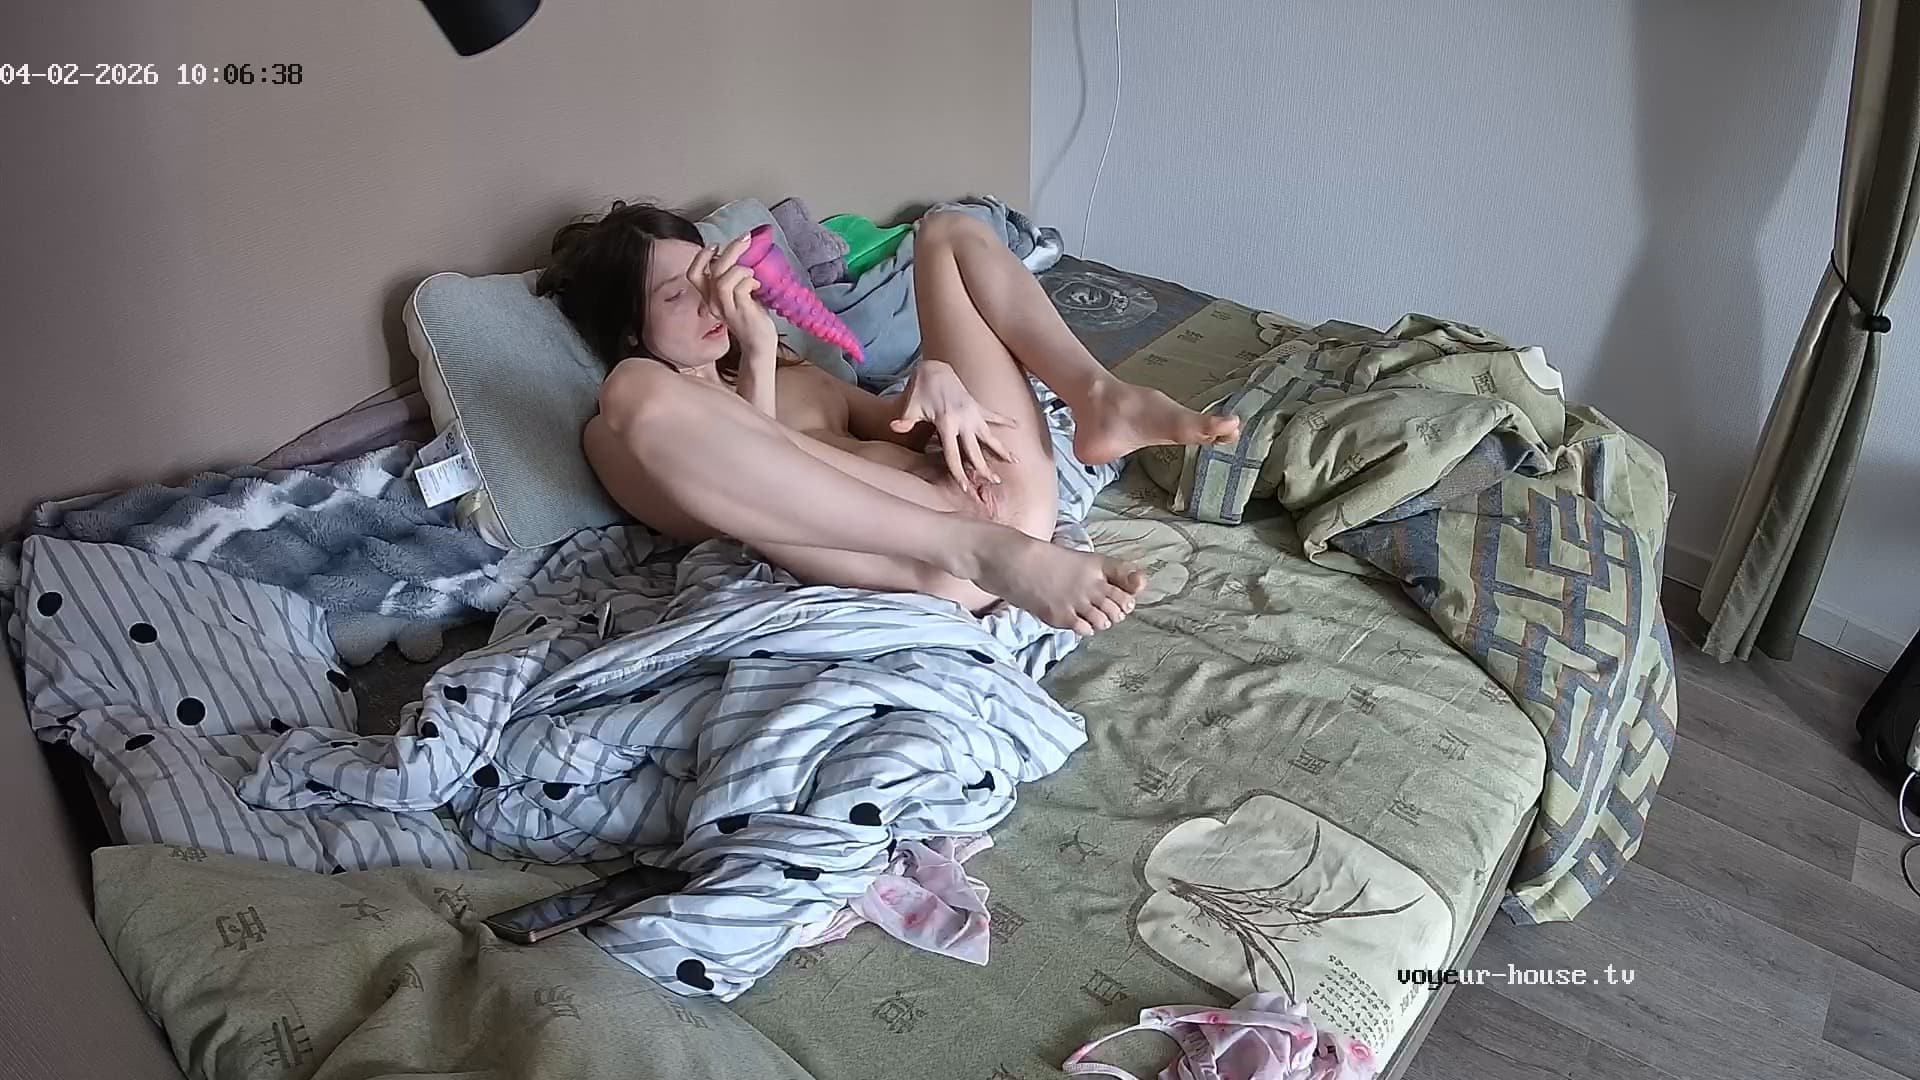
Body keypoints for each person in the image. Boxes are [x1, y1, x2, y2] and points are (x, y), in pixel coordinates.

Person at [536, 201, 1239, 635]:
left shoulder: (796, 373)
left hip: (1002, 492)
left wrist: (937, 389)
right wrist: (757, 355)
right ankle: (981, 547)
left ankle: (1099, 397)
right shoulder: (635, 428)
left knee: (948, 231)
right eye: (675, 295)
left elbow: (895, 430)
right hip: (938, 563)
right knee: (629, 392)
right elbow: (749, 503)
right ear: (629, 328)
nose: (709, 301)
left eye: (706, 276)